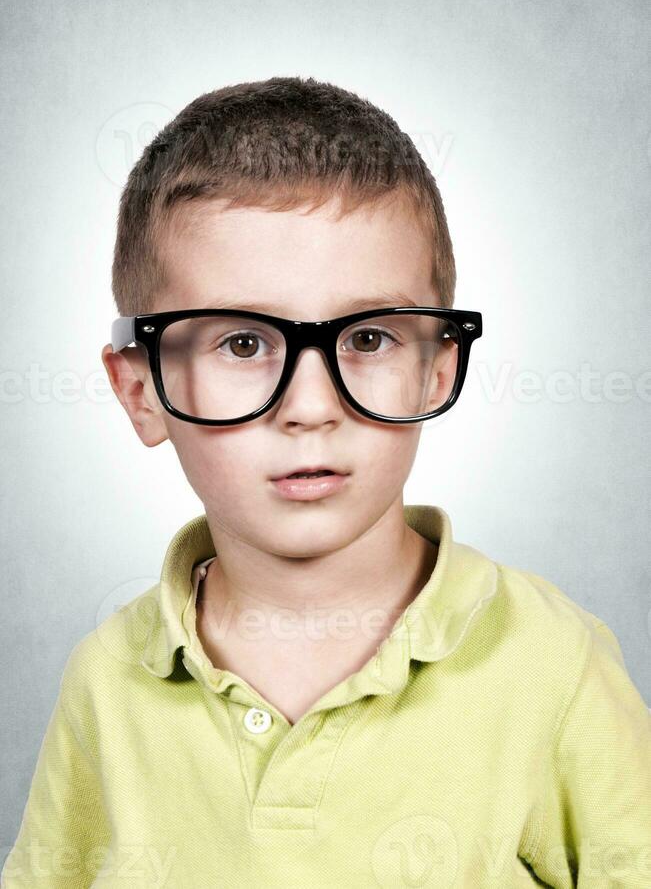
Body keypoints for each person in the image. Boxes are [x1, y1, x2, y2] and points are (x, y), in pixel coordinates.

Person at [3, 77, 650, 888]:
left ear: (434, 367)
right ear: (142, 392)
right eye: (242, 345)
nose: (311, 409)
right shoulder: (106, 680)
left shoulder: (555, 666)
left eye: (369, 337)